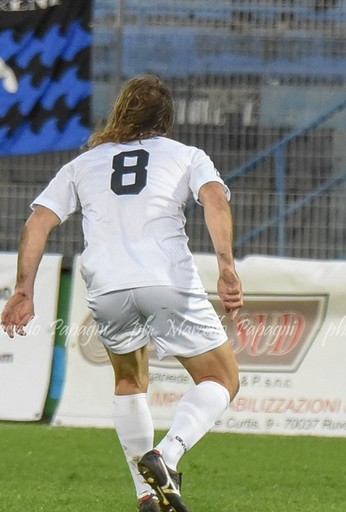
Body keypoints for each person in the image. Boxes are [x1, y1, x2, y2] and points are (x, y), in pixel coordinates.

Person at [1, 74, 243, 512]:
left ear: (119, 114)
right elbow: (214, 200)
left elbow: (38, 221)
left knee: (130, 379)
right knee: (222, 378)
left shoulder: (83, 164)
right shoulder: (187, 155)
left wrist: (23, 289)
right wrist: (226, 264)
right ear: (165, 119)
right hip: (165, 278)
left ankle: (147, 494)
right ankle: (165, 457)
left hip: (108, 286)